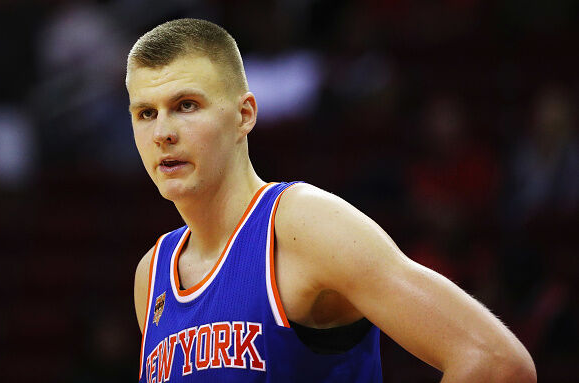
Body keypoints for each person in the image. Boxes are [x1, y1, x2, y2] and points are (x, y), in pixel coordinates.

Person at [127, 18, 536, 382]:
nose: (163, 132)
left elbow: (496, 362)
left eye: (186, 105)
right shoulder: (152, 275)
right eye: (146, 113)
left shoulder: (301, 224)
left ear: (245, 115)